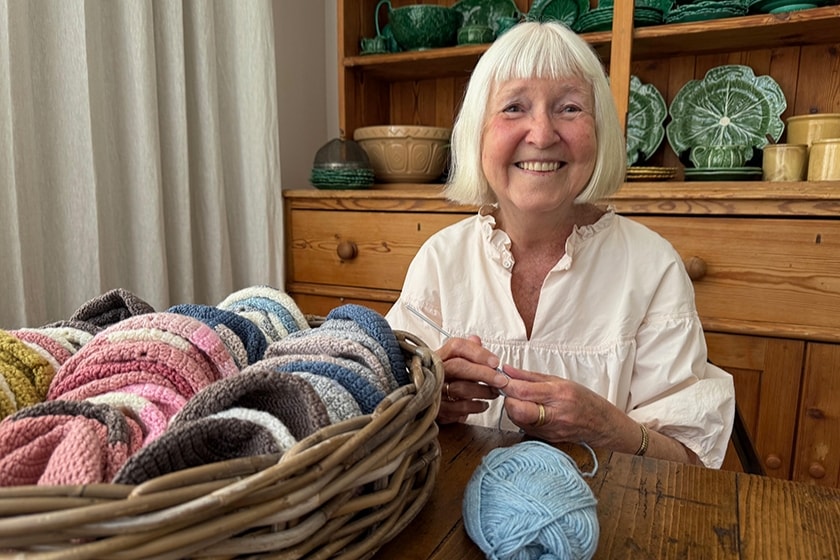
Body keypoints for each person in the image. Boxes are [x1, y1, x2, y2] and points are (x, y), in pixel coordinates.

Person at [385, 21, 735, 468]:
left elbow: (692, 463)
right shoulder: (440, 259)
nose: (542, 134)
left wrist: (610, 427)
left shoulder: (653, 268)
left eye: (569, 108)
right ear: (478, 132)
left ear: (600, 131)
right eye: (513, 107)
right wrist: (426, 397)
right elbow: (379, 420)